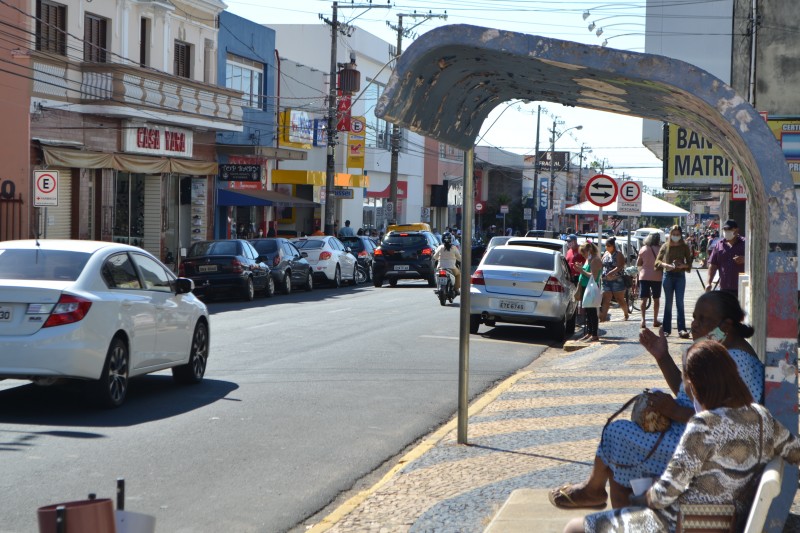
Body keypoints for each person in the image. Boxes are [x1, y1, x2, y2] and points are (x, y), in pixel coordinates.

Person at [549, 291, 764, 513]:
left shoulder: (739, 363)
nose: (694, 325)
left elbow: (727, 425)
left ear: (726, 326)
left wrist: (673, 411)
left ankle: (595, 493)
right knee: (621, 449)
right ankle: (605, 501)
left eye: (703, 320)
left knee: (618, 435)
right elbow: (688, 393)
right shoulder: (724, 352)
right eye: (694, 317)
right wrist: (662, 356)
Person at [564, 338, 798, 533]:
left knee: (576, 528)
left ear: (696, 385)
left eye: (687, 384)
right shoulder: (762, 418)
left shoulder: (704, 425)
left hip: (679, 524)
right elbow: (795, 452)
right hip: (730, 523)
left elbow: (664, 495)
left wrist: (641, 497)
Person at [655, 225, 693, 338]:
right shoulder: (665, 246)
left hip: (680, 276)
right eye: (673, 234)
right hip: (668, 275)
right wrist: (666, 265)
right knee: (668, 303)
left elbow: (690, 263)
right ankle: (666, 329)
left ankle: (682, 329)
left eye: (677, 234)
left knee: (680, 302)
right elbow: (657, 261)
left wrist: (683, 265)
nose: (675, 236)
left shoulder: (684, 246)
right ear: (670, 235)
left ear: (681, 235)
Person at [707, 219, 745, 296]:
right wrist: (708, 282)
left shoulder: (745, 243)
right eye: (725, 229)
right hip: (724, 287)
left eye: (729, 229)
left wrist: (745, 259)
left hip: (741, 288)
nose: (727, 231)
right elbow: (713, 265)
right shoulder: (719, 245)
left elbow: (753, 262)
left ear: (736, 230)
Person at [636, 232, 663, 329]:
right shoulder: (660, 249)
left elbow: (639, 263)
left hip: (644, 276)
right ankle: (655, 320)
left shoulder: (643, 249)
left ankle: (643, 320)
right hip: (657, 276)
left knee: (643, 299)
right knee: (656, 299)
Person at [577, 242, 602, 342]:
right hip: (585, 286)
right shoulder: (589, 259)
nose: (583, 255)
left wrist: (581, 271)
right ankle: (589, 332)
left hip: (590, 288)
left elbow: (594, 276)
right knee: (587, 312)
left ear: (589, 250)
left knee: (591, 312)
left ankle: (594, 334)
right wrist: (581, 268)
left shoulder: (595, 259)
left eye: (583, 253)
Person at [599, 238, 629, 322]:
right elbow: (601, 264)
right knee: (606, 300)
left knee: (619, 299)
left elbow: (620, 266)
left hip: (616, 280)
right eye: (606, 246)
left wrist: (611, 272)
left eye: (609, 246)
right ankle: (603, 318)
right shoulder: (605, 254)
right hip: (606, 280)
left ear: (613, 246)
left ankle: (626, 314)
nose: (607, 247)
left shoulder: (618, 254)